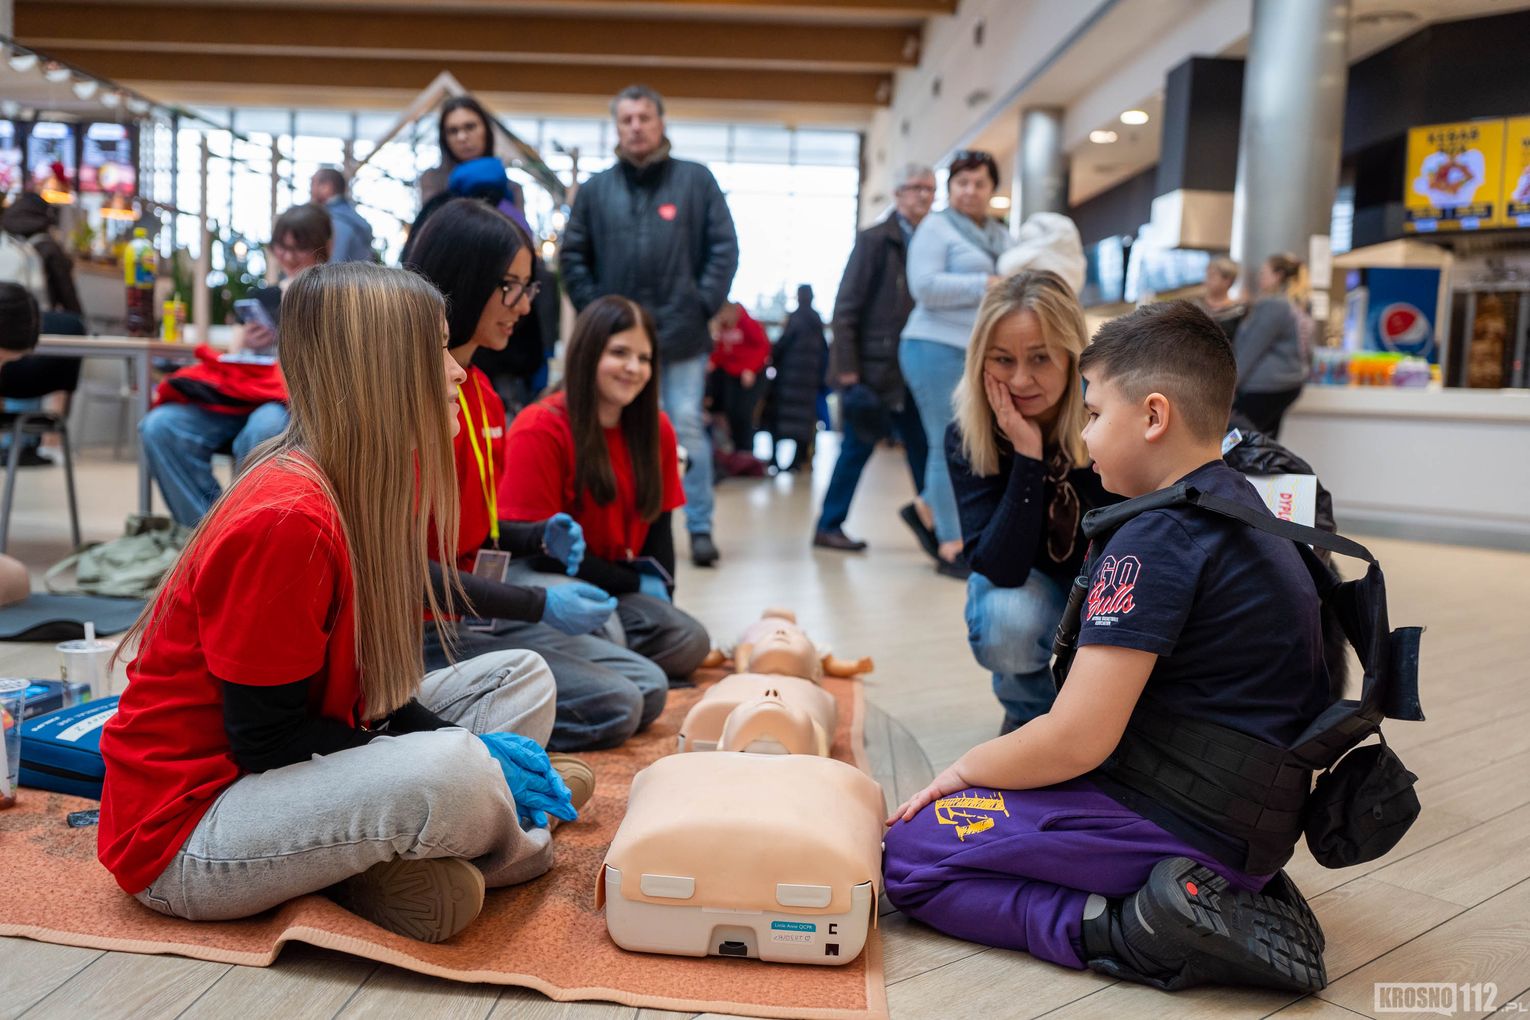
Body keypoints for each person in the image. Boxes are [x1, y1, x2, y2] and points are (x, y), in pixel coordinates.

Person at [98, 261, 576, 946]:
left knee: (521, 676)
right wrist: (470, 755)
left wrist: (461, 742)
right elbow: (267, 743)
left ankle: (384, 859)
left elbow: (374, 701)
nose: (458, 372)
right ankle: (514, 836)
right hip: (188, 835)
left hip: (282, 777)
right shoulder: (290, 517)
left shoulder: (358, 482)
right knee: (457, 772)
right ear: (382, 368)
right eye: (437, 350)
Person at [883, 301, 1330, 994]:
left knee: (909, 853)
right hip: (1251, 828)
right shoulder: (1247, 508)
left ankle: (1125, 926)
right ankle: (1209, 893)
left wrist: (964, 771)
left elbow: (1076, 740)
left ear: (1153, 417)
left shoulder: (1158, 538)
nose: (1086, 433)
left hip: (1182, 820)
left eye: (1094, 413)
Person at [406, 198, 670, 752]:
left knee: (646, 685)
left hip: (478, 608)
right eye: (512, 287)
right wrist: (539, 603)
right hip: (426, 625)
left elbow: (475, 530)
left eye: (529, 289)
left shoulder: (482, 393)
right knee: (619, 700)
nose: (525, 306)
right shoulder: (416, 402)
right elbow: (400, 566)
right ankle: (436, 732)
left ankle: (481, 715)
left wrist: (535, 536)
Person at [561, 84, 739, 568]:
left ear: (661, 123)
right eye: (627, 119)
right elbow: (572, 257)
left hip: (681, 336)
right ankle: (631, 529)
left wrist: (700, 305)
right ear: (617, 128)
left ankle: (698, 527)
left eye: (644, 117)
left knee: (685, 428)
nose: (636, 126)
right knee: (620, 431)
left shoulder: (696, 181)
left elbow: (724, 249)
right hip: (615, 340)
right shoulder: (596, 190)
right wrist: (599, 316)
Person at [500, 296, 712, 686]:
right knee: (606, 627)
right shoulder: (540, 426)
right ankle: (614, 664)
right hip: (544, 576)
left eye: (644, 358)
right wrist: (633, 583)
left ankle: (607, 664)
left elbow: (660, 532)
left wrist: (662, 599)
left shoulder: (657, 430)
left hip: (612, 582)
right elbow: (539, 553)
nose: (634, 368)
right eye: (619, 353)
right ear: (588, 352)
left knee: (689, 639)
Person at [947, 272, 1114, 733]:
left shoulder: (1110, 419)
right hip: (1029, 586)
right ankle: (1030, 717)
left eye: (1040, 357)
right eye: (1003, 359)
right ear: (981, 360)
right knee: (1007, 619)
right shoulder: (968, 436)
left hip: (1106, 583)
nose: (1020, 379)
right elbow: (999, 569)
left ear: (1072, 356)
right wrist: (1027, 455)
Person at [139, 203, 330, 525]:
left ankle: (243, 528)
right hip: (239, 394)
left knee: (264, 431)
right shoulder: (264, 296)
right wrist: (249, 343)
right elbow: (233, 355)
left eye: (298, 248)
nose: (288, 257)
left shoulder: (331, 297)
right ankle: (209, 531)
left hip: (286, 400)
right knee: (159, 426)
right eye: (281, 247)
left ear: (321, 248)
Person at [898, 150, 1013, 579]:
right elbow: (924, 287)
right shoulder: (936, 227)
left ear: (992, 189)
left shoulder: (1000, 235)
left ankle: (927, 506)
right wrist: (987, 284)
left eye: (979, 183)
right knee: (948, 440)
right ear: (950, 188)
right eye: (962, 182)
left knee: (969, 437)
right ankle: (950, 543)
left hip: (974, 349)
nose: (970, 191)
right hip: (932, 345)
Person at [813, 163, 936, 552]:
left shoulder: (934, 239)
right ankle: (828, 525)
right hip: (874, 372)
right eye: (915, 187)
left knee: (925, 452)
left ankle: (938, 532)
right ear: (898, 194)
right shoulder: (875, 240)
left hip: (917, 369)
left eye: (930, 189)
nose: (923, 195)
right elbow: (846, 308)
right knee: (856, 448)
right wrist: (849, 373)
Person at [1230, 253, 1306, 438]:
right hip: (1281, 385)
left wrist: (1231, 385)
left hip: (1265, 386)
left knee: (1235, 438)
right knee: (1263, 440)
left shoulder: (1273, 306)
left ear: (1277, 276)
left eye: (1264, 273)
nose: (1260, 277)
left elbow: (1251, 349)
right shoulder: (1288, 305)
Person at [762, 284, 829, 473]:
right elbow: (824, 352)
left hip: (788, 381)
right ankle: (798, 461)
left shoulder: (795, 318)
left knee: (779, 419)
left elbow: (782, 345)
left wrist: (772, 358)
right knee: (804, 422)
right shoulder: (817, 321)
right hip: (809, 383)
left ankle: (775, 459)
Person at [706, 301, 770, 458]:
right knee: (730, 410)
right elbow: (723, 351)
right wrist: (713, 361)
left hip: (750, 375)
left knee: (744, 413)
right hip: (732, 374)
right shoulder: (724, 327)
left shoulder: (749, 324)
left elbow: (763, 347)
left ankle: (746, 451)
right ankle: (736, 450)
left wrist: (750, 368)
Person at [2, 191, 82, 314]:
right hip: (36, 317)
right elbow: (67, 292)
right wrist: (78, 318)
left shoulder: (4, 240)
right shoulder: (49, 246)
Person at [419, 96, 498, 204]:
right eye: (453, 131)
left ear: (486, 130)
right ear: (444, 138)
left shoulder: (510, 187)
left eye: (470, 127)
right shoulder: (433, 180)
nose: (461, 137)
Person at [309, 167, 374, 264]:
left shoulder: (335, 220)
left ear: (327, 187)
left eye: (313, 184)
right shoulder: (349, 217)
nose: (310, 190)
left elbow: (334, 265)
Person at [1199, 256, 1246, 341]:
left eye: (1212, 277)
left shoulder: (1238, 312)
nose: (1206, 281)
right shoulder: (1196, 305)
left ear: (1227, 281)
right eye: (1207, 276)